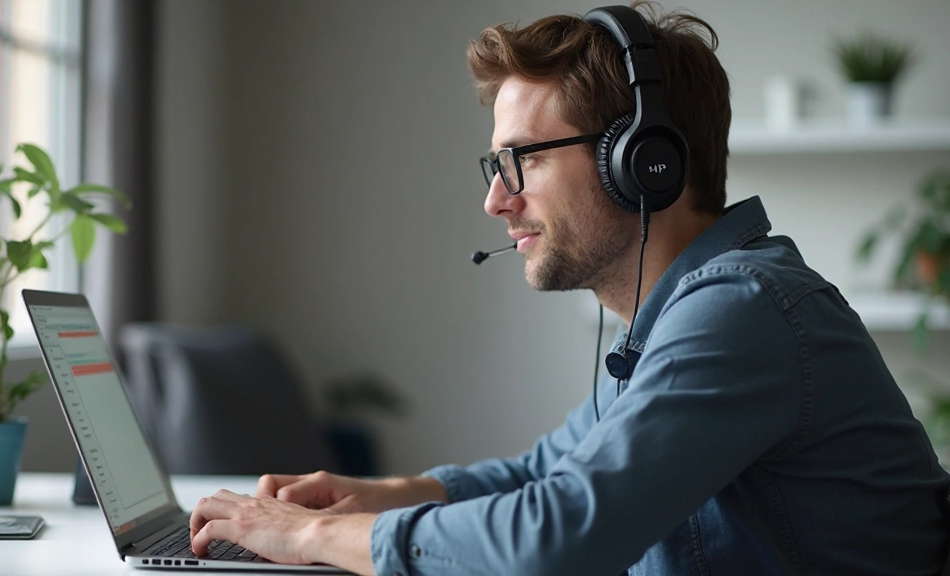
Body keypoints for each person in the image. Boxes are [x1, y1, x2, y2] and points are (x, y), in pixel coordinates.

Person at [188, 3, 950, 575]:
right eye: (496, 166)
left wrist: (309, 538)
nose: (497, 200)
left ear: (645, 162)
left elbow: (557, 536)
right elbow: (543, 470)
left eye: (524, 160)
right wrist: (378, 495)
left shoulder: (740, 310)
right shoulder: (675, 321)